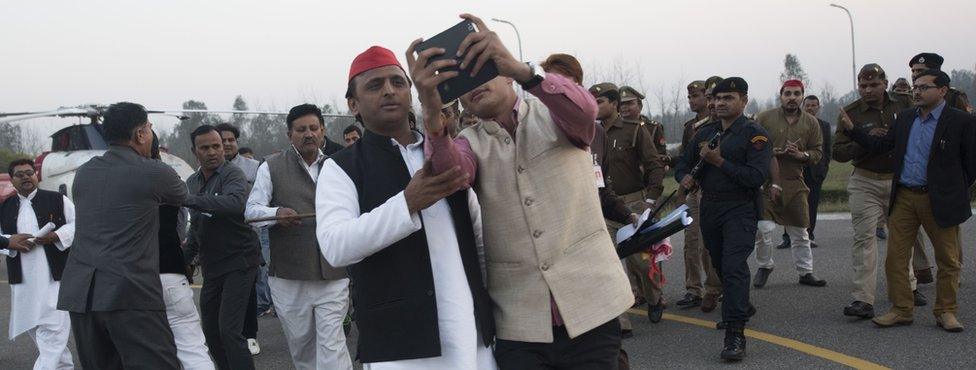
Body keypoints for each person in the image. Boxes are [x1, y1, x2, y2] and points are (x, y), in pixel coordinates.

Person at [412, 14, 633, 368]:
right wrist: (430, 108)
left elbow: (586, 111)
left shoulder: (554, 111)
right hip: (520, 325)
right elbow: (449, 174)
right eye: (462, 82)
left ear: (505, 70)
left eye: (483, 70)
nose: (474, 85)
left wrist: (524, 70)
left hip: (592, 307)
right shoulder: (468, 142)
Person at [317, 45, 495, 369]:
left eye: (398, 83)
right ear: (353, 104)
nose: (389, 91)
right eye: (375, 85)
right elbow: (334, 246)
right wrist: (406, 204)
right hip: (400, 347)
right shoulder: (341, 167)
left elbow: (478, 239)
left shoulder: (444, 152)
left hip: (471, 335)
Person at [839, 69, 976, 332]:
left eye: (924, 87)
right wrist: (854, 131)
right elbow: (881, 146)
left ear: (942, 91)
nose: (917, 91)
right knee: (896, 258)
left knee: (948, 259)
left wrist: (953, 190)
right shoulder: (905, 118)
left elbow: (971, 164)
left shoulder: (960, 121)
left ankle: (946, 311)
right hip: (904, 197)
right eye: (916, 86)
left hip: (938, 199)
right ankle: (901, 309)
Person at [58, 102, 187, 369]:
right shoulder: (154, 171)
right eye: (150, 129)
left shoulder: (84, 173)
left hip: (82, 295)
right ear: (140, 134)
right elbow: (189, 198)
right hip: (130, 293)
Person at [246, 103, 352, 369]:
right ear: (289, 134)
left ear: (323, 131)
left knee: (333, 345)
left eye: (314, 128)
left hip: (334, 274)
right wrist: (276, 212)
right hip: (289, 278)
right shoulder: (270, 166)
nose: (309, 134)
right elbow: (251, 212)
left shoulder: (339, 165)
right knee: (302, 349)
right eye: (301, 129)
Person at [676, 77, 770, 361]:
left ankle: (735, 334)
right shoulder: (705, 133)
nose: (720, 103)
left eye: (728, 98)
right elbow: (683, 164)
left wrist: (719, 162)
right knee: (718, 265)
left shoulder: (755, 135)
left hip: (740, 208)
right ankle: (740, 305)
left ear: (743, 101)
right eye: (716, 99)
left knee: (732, 266)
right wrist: (686, 178)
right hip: (710, 209)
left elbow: (756, 177)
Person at [833, 64, 927, 319]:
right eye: (863, 85)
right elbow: (838, 153)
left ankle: (908, 287)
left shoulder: (904, 103)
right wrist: (864, 140)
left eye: (874, 84)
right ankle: (863, 299)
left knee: (901, 238)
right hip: (865, 181)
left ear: (885, 83)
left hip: (899, 181)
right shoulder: (850, 113)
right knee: (864, 239)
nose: (868, 90)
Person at [184, 125, 261, 370]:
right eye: (205, 148)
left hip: (240, 261)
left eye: (216, 146)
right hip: (212, 265)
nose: (212, 152)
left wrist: (190, 200)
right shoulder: (192, 181)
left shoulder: (233, 174)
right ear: (194, 151)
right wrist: (184, 258)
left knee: (230, 331)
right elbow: (196, 226)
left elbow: (235, 204)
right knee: (211, 333)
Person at [1, 158, 76, 369]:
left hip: (54, 279)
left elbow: (78, 224)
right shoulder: (6, 206)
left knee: (53, 333)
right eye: (20, 174)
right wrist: (11, 243)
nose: (26, 177)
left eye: (29, 172)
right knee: (41, 333)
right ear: (12, 180)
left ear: (36, 175)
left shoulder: (57, 199)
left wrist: (57, 235)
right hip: (24, 282)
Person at [752, 80, 826, 288]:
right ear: (781, 95)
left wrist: (800, 154)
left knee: (800, 232)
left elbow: (817, 153)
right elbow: (753, 148)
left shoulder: (811, 123)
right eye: (787, 93)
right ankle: (765, 266)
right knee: (763, 228)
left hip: (795, 183)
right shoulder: (764, 118)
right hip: (767, 184)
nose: (792, 97)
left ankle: (805, 272)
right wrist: (775, 152)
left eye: (796, 93)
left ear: (802, 96)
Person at [604, 84, 668, 323]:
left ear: (613, 105)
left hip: (633, 203)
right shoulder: (589, 132)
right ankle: (621, 321)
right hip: (603, 204)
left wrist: (650, 200)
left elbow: (654, 166)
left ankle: (653, 298)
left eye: (600, 101)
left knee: (641, 262)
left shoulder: (634, 130)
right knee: (609, 264)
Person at [151, 134, 216, 370]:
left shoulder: (116, 180)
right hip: (170, 270)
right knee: (192, 347)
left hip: (132, 277)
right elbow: (182, 217)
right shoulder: (169, 177)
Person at [215, 122, 264, 354]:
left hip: (247, 238)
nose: (226, 144)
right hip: (219, 240)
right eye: (221, 141)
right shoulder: (208, 169)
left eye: (230, 140)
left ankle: (250, 335)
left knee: (249, 288)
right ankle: (227, 336)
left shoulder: (255, 168)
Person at [675, 79, 723, 312]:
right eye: (690, 97)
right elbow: (685, 162)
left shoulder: (738, 126)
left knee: (711, 245)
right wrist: (682, 189)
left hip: (723, 193)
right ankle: (694, 289)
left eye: (698, 96)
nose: (695, 100)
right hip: (697, 192)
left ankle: (717, 286)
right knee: (692, 242)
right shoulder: (693, 129)